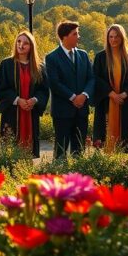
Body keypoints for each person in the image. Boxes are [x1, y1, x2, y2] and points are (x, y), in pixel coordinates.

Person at [44, 21, 95, 158]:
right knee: (60, 152)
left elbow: (91, 78)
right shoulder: (51, 58)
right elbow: (54, 83)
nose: (79, 36)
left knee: (79, 150)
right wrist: (73, 97)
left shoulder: (83, 55)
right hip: (62, 113)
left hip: (82, 111)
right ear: (64, 37)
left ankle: (78, 176)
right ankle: (59, 176)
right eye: (75, 34)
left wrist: (84, 95)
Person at [0, 31, 49, 158]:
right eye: (19, 42)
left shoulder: (39, 67)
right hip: (12, 112)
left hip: (31, 112)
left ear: (31, 46)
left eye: (25, 43)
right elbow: (1, 89)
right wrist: (17, 100)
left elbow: (44, 90)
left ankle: (25, 172)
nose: (21, 45)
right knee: (10, 150)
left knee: (29, 151)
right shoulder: (7, 64)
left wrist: (35, 100)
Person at [92, 24, 128, 153]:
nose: (113, 40)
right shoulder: (101, 57)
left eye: (116, 36)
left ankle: (121, 165)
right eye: (111, 37)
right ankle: (107, 163)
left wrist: (125, 94)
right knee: (104, 133)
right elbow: (96, 78)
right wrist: (111, 93)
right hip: (106, 100)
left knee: (124, 135)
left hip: (125, 102)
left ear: (122, 38)